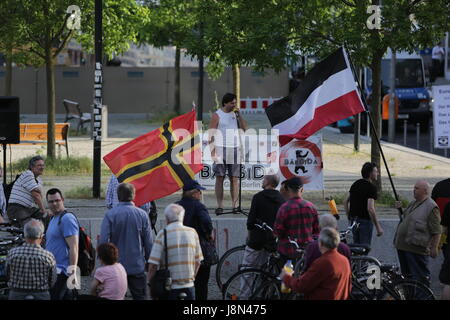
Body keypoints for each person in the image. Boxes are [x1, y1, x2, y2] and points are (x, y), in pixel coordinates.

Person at [99, 182, 153, 300]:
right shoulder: (143, 215)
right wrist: (150, 262)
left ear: (118, 196)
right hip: (137, 266)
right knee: (140, 297)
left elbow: (103, 241)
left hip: (115, 267)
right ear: (134, 195)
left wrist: (103, 263)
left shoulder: (110, 215)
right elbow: (148, 242)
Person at [147, 204, 203, 300]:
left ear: (167, 219)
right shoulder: (192, 232)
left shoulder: (162, 234)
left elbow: (153, 265)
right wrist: (191, 277)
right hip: (189, 287)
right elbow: (198, 261)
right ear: (182, 217)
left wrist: (150, 283)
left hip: (169, 287)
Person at [280, 227, 352, 300]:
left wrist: (286, 277)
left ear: (320, 243)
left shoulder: (323, 263)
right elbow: (348, 286)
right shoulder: (344, 260)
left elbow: (302, 286)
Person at [394, 180, 441, 288]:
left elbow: (437, 230)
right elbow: (404, 219)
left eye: (416, 188)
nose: (413, 190)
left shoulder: (431, 207)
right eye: (414, 188)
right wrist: (399, 210)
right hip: (403, 246)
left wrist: (434, 248)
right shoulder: (413, 203)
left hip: (416, 249)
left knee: (420, 278)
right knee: (407, 278)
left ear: (425, 191)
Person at [208, 93, 248, 215]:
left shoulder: (235, 115)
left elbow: (245, 128)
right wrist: (213, 151)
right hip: (220, 148)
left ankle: (234, 205)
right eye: (232, 103)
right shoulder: (217, 115)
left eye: (235, 102)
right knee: (219, 178)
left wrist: (239, 114)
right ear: (225, 103)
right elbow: (211, 134)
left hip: (234, 148)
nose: (234, 105)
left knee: (234, 178)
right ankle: (220, 205)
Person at [176, 179, 214, 300]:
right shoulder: (199, 206)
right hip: (198, 250)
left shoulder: (176, 206)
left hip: (180, 251)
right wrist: (208, 234)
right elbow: (207, 222)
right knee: (201, 284)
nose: (200, 194)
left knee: (182, 285)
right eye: (199, 192)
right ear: (193, 193)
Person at [6, 219, 56, 300]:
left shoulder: (12, 253)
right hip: (41, 294)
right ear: (41, 236)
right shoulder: (48, 256)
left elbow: (8, 274)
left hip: (17, 293)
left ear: (25, 235)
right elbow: (52, 280)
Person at [243, 175, 285, 269]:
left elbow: (251, 220)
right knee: (265, 268)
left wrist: (249, 235)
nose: (262, 182)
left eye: (264, 180)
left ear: (268, 182)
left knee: (247, 267)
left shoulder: (258, 197)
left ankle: (247, 284)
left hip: (257, 238)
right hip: (271, 240)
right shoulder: (281, 199)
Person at [273, 177, 320, 261]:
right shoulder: (311, 207)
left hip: (288, 251)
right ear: (302, 189)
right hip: (307, 251)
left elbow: (278, 231)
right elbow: (317, 230)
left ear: (287, 189)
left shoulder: (284, 208)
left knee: (287, 273)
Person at [45, 188, 79, 300]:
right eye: (51, 201)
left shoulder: (67, 219)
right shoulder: (54, 218)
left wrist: (72, 273)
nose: (54, 204)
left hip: (64, 272)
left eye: (57, 200)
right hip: (55, 272)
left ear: (62, 200)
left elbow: (74, 247)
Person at [344, 162, 383, 246]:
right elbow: (370, 209)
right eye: (376, 171)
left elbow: (345, 201)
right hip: (365, 222)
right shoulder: (371, 188)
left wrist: (349, 216)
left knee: (356, 248)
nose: (378, 173)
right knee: (364, 248)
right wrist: (378, 227)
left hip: (354, 221)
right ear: (370, 173)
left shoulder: (355, 184)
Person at [7, 156, 48, 227]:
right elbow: (36, 196)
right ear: (32, 167)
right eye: (39, 165)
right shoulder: (28, 174)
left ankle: (44, 236)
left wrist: (45, 212)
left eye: (43, 165)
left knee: (47, 217)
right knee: (29, 226)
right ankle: (31, 236)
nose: (42, 167)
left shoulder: (39, 180)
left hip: (28, 209)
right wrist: (44, 210)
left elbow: (38, 198)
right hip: (16, 208)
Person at [432, 178, 450, 299]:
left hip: (448, 242)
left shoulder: (440, 186)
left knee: (448, 283)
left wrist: (437, 245)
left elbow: (444, 228)